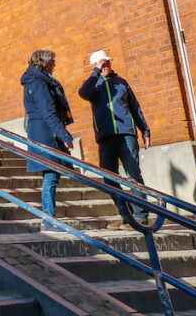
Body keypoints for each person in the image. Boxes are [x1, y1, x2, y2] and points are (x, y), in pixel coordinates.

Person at [79, 50, 151, 227]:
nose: (106, 66)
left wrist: (145, 130)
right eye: (103, 64)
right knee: (109, 179)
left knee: (133, 174)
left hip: (126, 134)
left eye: (108, 63)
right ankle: (127, 214)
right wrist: (97, 72)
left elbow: (135, 108)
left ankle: (141, 216)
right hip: (105, 137)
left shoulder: (121, 83)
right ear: (95, 65)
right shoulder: (93, 86)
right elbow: (83, 93)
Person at [21, 49, 74, 230]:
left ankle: (50, 217)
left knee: (52, 174)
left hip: (42, 132)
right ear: (43, 63)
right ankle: (49, 219)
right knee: (51, 175)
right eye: (52, 61)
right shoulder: (39, 84)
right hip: (45, 134)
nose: (54, 65)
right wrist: (65, 136)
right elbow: (48, 112)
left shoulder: (36, 81)